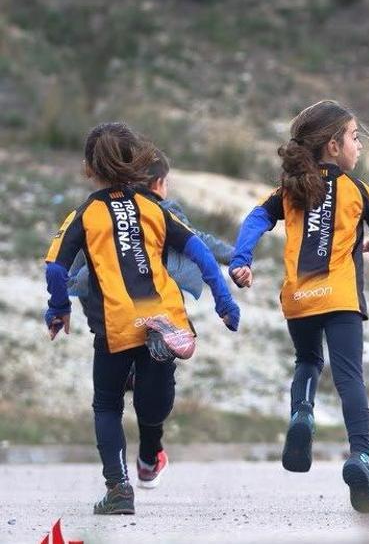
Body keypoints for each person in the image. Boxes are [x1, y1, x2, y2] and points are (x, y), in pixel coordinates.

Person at [43, 123, 239, 515]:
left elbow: (54, 267)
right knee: (153, 402)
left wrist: (58, 308)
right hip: (161, 315)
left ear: (87, 168)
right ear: (137, 163)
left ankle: (118, 489)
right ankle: (153, 433)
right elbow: (199, 251)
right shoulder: (153, 207)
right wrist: (223, 301)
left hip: (115, 326)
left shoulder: (85, 214)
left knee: (107, 405)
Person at [228, 100, 369, 513]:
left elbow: (256, 218)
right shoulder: (356, 189)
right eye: (354, 138)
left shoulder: (290, 188)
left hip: (299, 298)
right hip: (341, 298)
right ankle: (360, 457)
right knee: (349, 379)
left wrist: (241, 260)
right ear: (333, 146)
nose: (359, 146)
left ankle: (302, 413)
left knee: (307, 361)